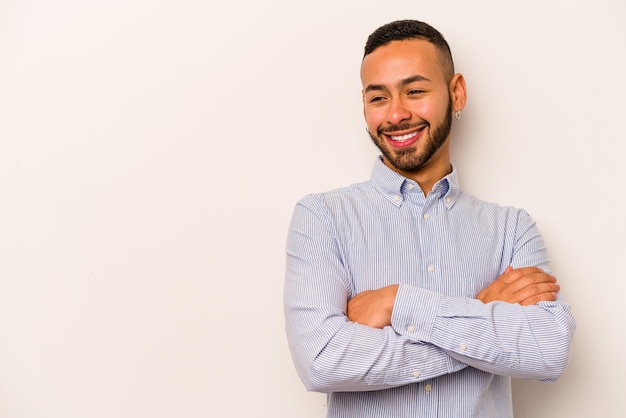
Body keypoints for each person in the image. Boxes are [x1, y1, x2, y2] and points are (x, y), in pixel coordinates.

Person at [284, 19, 575, 418]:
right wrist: (479, 311)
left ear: (456, 93)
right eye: (378, 98)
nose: (396, 114)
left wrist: (397, 302)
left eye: (415, 91)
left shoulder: (511, 228)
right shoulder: (322, 218)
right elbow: (321, 360)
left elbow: (547, 350)